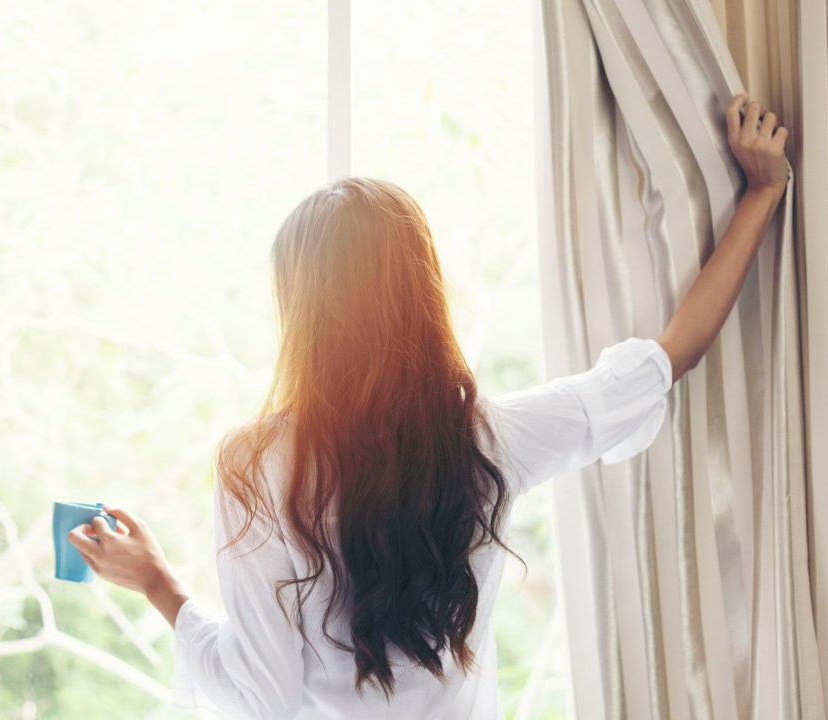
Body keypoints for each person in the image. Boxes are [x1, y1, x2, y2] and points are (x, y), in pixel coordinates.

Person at [68, 93, 789, 719]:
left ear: (302, 315)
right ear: (421, 300)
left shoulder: (257, 467)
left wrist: (159, 584)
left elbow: (264, 698)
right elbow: (668, 357)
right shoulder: (489, 441)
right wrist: (760, 192)